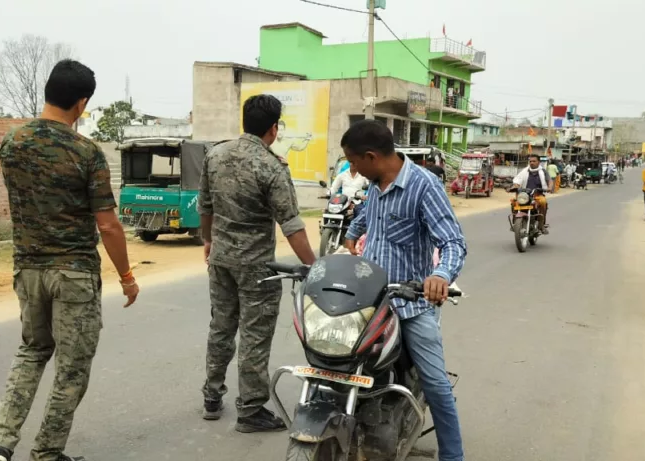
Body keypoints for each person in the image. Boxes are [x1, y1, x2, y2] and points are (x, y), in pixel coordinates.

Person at [0, 60, 139, 461]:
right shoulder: (86, 152)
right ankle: (46, 453)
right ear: (82, 103)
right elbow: (108, 226)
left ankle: (0, 446)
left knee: (32, 352)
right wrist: (126, 276)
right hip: (73, 274)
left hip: (28, 269)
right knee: (71, 369)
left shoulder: (12, 143)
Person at [340, 120, 468, 461]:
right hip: (369, 298)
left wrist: (440, 274)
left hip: (410, 305)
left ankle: (453, 455)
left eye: (353, 161)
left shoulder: (424, 186)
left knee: (436, 383)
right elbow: (370, 213)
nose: (351, 168)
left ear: (371, 156)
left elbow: (453, 241)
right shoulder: (376, 183)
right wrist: (352, 231)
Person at [198, 94, 318, 432]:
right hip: (256, 267)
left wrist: (208, 241)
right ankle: (250, 410)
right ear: (274, 128)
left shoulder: (215, 155)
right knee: (254, 334)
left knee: (221, 327)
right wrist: (315, 265)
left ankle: (211, 395)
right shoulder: (271, 166)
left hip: (221, 260)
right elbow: (291, 225)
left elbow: (204, 207)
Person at [512, 154, 552, 234]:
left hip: (538, 195)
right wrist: (514, 186)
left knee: (543, 202)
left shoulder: (543, 171)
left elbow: (549, 181)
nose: (532, 163)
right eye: (530, 161)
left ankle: (541, 224)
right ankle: (515, 223)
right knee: (514, 202)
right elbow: (518, 180)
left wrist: (549, 187)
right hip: (525, 195)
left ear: (538, 162)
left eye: (534, 161)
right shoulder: (525, 171)